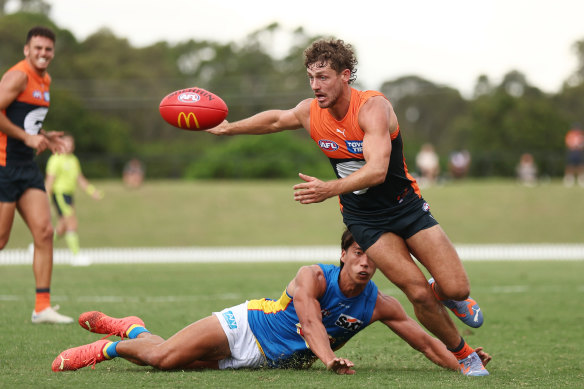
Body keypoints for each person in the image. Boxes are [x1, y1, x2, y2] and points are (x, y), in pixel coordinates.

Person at [204, 38, 488, 374]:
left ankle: (445, 291)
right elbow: (277, 120)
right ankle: (464, 355)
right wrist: (229, 128)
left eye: (323, 77)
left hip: (405, 206)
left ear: (345, 75)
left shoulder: (372, 108)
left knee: (456, 288)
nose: (315, 85)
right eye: (311, 77)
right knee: (416, 293)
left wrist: (329, 189)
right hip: (364, 219)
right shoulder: (312, 112)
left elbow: (377, 170)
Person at [52, 229, 491, 375]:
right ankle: (107, 348)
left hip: (263, 361)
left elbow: (426, 342)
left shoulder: (379, 304)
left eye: (371, 257)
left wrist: (464, 362)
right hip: (244, 326)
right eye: (357, 253)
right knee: (165, 360)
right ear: (344, 254)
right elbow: (312, 324)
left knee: (176, 359)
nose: (364, 263)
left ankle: (132, 328)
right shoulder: (313, 276)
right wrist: (328, 360)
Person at [0, 26, 73, 323]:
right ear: (26, 50)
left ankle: (42, 306)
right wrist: (28, 138)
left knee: (45, 232)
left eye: (48, 49)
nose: (43, 54)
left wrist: (43, 134)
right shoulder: (17, 76)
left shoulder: (45, 80)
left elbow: (22, 118)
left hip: (27, 166)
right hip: (4, 165)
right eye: (38, 48)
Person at [45, 133, 103, 266]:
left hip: (70, 195)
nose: (69, 146)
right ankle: (76, 256)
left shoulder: (73, 160)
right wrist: (45, 200)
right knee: (72, 223)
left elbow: (80, 179)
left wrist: (92, 191)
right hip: (60, 194)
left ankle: (39, 245)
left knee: (63, 227)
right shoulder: (55, 159)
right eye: (66, 143)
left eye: (71, 143)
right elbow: (49, 182)